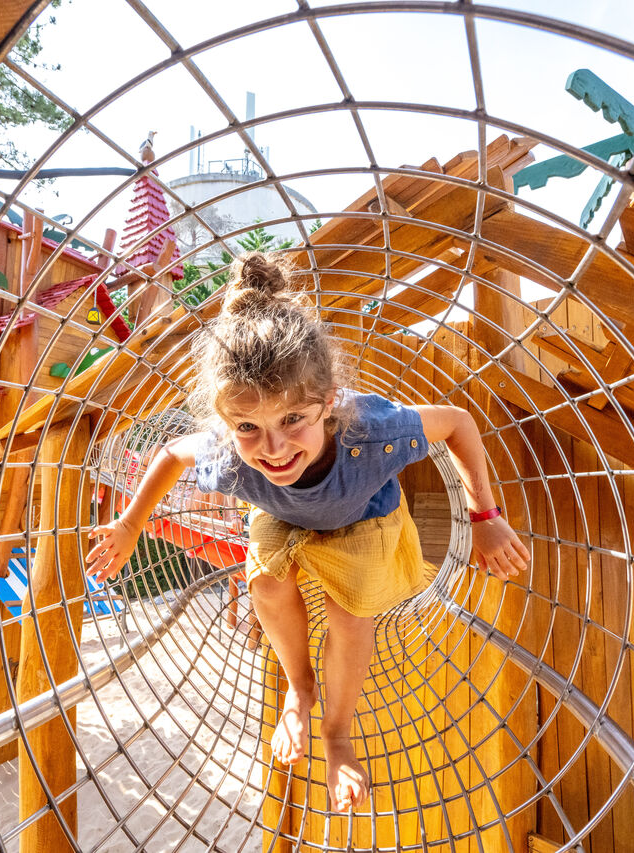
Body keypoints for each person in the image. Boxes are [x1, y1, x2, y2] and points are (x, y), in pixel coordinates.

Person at [84, 251, 531, 812]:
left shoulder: (374, 433)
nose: (273, 449)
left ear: (327, 405)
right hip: (284, 517)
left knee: (350, 614)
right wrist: (130, 525)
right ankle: (301, 688)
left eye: (293, 420)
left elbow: (460, 424)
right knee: (266, 585)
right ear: (226, 422)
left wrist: (484, 519)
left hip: (365, 516)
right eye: (248, 426)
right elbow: (172, 452)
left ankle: (337, 733)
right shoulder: (230, 454)